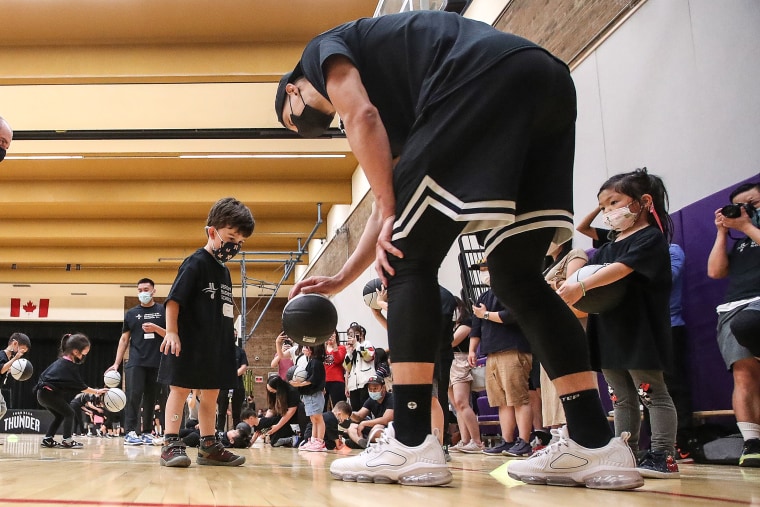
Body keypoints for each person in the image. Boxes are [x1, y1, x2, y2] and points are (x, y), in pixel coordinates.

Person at [281, 9, 641, 489]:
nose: (305, 125)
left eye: (294, 120)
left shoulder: (321, 50)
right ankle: (594, 443)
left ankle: (409, 441)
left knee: (407, 265)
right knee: (517, 278)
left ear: (292, 91)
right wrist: (346, 274)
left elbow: (360, 118)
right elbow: (388, 200)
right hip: (545, 80)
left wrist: (391, 210)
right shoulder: (404, 98)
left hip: (477, 80)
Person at [558, 168, 679, 478]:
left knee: (652, 392)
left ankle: (663, 455)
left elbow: (622, 270)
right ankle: (627, 452)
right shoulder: (609, 243)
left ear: (642, 202)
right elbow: (598, 267)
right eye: (604, 205)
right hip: (608, 327)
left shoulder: (650, 237)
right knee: (620, 397)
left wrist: (579, 287)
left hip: (638, 328)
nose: (609, 211)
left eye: (615, 202)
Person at [157, 196, 254, 468]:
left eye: (241, 242)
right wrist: (172, 332)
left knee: (211, 394)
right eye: (231, 237)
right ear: (212, 231)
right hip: (188, 342)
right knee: (179, 390)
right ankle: (170, 442)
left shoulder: (223, 271)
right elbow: (174, 300)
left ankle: (209, 445)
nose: (235, 246)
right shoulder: (195, 263)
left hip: (216, 346)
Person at [707, 181, 760, 468]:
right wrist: (723, 231)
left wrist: (748, 225)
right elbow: (715, 271)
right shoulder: (739, 244)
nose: (747, 211)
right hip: (734, 306)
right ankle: (753, 442)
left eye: (753, 204)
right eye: (742, 207)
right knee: (743, 374)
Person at [468, 260, 534, 458]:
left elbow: (512, 316)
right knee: (501, 401)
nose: (483, 273)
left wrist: (486, 314)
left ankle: (524, 441)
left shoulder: (512, 290)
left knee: (518, 398)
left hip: (513, 349)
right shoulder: (483, 295)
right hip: (492, 354)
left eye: (486, 269)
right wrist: (472, 350)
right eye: (482, 270)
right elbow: (476, 326)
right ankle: (507, 441)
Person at [107, 278, 166, 446]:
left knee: (151, 399)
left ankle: (147, 432)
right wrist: (116, 364)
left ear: (154, 291)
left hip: (157, 362)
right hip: (136, 362)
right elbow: (124, 340)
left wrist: (155, 328)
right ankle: (131, 432)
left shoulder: (162, 311)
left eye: (146, 289)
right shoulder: (132, 314)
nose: (143, 293)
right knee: (134, 396)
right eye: (140, 290)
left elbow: (170, 334)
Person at [35, 333, 108, 448]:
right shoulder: (68, 365)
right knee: (70, 413)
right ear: (75, 351)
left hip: (42, 394)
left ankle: (48, 439)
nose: (86, 354)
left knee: (60, 415)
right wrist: (97, 391)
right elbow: (81, 386)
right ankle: (67, 440)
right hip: (48, 394)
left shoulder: (61, 362)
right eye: (85, 352)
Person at [447, 298, 484, 454]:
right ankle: (465, 440)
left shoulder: (467, 322)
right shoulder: (450, 325)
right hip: (447, 361)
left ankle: (477, 441)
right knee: (456, 406)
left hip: (460, 360)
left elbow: (453, 342)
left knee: (462, 402)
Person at [245, 376, 306, 447]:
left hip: (294, 415)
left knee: (274, 441)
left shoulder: (291, 391)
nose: (271, 392)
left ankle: (299, 438)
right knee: (274, 442)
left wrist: (277, 427)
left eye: (272, 390)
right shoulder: (272, 393)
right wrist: (264, 423)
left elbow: (291, 411)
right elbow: (271, 409)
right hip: (281, 415)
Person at [291, 344, 327, 452]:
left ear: (312, 350)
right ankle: (313, 439)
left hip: (314, 394)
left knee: (318, 418)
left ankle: (320, 442)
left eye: (306, 347)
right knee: (313, 419)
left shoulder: (316, 363)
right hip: (309, 395)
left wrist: (299, 384)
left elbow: (313, 379)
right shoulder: (311, 362)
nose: (304, 349)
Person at [343, 373, 394, 449]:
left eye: (375, 388)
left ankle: (364, 442)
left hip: (389, 429)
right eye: (370, 389)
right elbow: (359, 416)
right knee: (352, 427)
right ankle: (361, 442)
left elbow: (386, 420)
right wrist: (349, 413)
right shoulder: (371, 400)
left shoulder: (392, 398)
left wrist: (364, 423)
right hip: (374, 427)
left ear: (383, 388)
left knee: (376, 429)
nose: (373, 391)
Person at [216, 332, 249, 431]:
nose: (233, 335)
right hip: (223, 385)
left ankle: (237, 433)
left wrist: (232, 376)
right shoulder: (220, 351)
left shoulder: (241, 351)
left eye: (235, 334)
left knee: (237, 412)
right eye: (231, 333)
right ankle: (220, 433)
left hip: (237, 385)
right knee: (221, 412)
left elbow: (244, 367)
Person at [343, 322, 375, 409]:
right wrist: (349, 353)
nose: (351, 337)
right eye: (349, 335)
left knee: (366, 408)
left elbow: (368, 357)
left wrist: (357, 345)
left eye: (353, 334)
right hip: (353, 384)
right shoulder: (350, 348)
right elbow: (347, 368)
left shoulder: (366, 344)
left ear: (360, 335)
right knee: (355, 410)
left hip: (365, 382)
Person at [0, 332, 31, 420]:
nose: (21, 354)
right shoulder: (2, 355)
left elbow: (5, 370)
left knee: (2, 409)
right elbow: (2, 369)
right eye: (22, 350)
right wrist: (15, 358)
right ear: (14, 343)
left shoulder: (8, 359)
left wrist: (11, 370)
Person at [323, 330, 347, 410]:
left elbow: (338, 360)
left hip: (337, 380)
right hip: (324, 381)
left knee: (338, 406)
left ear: (336, 335)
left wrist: (334, 346)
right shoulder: (322, 349)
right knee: (323, 406)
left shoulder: (342, 348)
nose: (330, 336)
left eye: (332, 333)